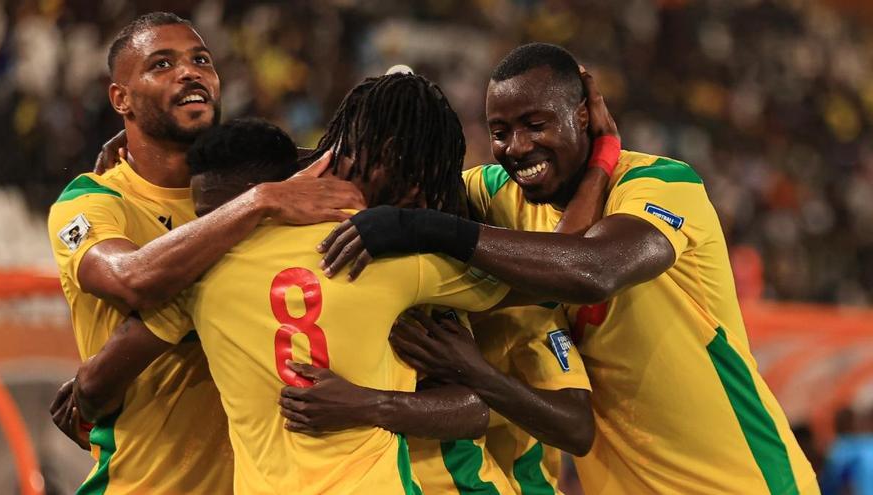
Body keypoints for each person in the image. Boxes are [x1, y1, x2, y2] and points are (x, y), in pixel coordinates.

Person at [320, 43, 820, 494]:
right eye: (500, 132)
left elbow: (593, 270)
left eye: (536, 125)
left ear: (582, 115)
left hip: (743, 482)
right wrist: (271, 188)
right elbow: (394, 177)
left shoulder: (659, 184)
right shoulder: (499, 194)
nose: (516, 147)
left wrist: (426, 229)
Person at [71, 74, 510, 495]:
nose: (213, 226)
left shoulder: (198, 275)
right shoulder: (397, 255)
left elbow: (94, 385)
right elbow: (512, 288)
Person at [47, 12, 362, 493]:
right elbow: (133, 279)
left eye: (201, 60)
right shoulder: (93, 202)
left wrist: (264, 192)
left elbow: (364, 153)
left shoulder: (255, 179)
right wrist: (262, 202)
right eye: (161, 64)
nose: (190, 71)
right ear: (120, 99)